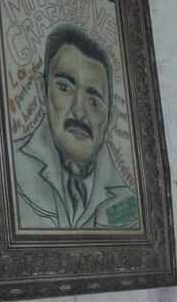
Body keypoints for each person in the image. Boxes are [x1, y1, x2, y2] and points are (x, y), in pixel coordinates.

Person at [10, 23, 139, 230]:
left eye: (94, 101)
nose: (79, 112)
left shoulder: (129, 203)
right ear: (42, 92)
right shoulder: (10, 169)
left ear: (110, 119)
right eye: (64, 88)